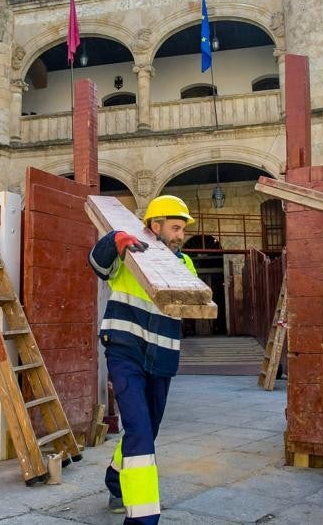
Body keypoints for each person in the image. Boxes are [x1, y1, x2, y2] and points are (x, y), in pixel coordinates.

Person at [88, 194, 197, 525]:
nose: (180, 235)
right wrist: (113, 240)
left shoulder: (185, 264)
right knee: (138, 428)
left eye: (182, 229)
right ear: (155, 225)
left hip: (161, 358)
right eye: (175, 227)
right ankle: (143, 519)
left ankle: (115, 480)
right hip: (126, 352)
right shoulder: (128, 252)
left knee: (148, 430)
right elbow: (97, 264)